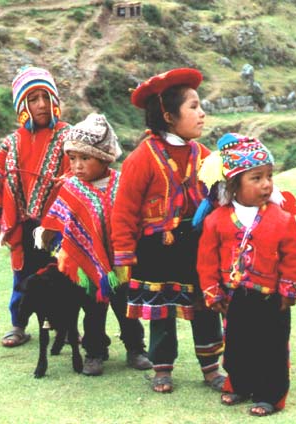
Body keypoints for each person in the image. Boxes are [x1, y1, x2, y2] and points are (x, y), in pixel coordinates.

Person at [110, 68, 225, 393]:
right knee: (162, 311)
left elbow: (220, 200)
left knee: (206, 307)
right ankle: (162, 368)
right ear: (168, 115)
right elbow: (125, 212)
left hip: (197, 247)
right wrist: (123, 256)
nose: (201, 113)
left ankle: (211, 368)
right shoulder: (141, 159)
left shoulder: (203, 156)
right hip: (157, 249)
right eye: (193, 106)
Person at [196, 133, 296, 417]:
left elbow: (293, 257)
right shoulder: (216, 221)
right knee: (237, 345)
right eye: (256, 178)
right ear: (234, 184)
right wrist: (211, 290)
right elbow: (206, 260)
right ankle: (239, 385)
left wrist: (289, 290)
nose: (266, 184)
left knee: (272, 347)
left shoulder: (283, 220)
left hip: (271, 298)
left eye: (269, 176)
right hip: (234, 298)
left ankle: (271, 395)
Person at [37, 113, 152, 375]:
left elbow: (136, 215)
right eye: (73, 158)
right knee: (93, 311)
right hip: (87, 268)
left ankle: (136, 349)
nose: (77, 165)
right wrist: (50, 239)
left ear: (103, 158)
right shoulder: (71, 188)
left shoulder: (122, 184)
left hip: (122, 264)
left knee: (127, 309)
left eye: (85, 158)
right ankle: (95, 352)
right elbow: (57, 222)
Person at [0, 65, 72, 348]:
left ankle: (65, 327)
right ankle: (18, 324)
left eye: (45, 97)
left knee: (61, 274)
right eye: (33, 98)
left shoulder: (68, 137)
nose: (40, 104)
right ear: (22, 104)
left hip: (58, 223)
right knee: (22, 274)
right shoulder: (11, 144)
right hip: (22, 223)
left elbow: (79, 175)